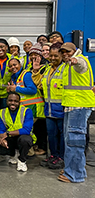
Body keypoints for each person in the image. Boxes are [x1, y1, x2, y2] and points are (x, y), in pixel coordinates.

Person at [58, 42, 95, 183]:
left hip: (79, 106)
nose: (65, 54)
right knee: (69, 139)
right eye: (63, 52)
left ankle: (75, 174)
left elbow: (80, 64)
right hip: (72, 105)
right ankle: (71, 168)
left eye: (68, 51)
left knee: (75, 141)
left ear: (75, 51)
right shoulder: (67, 65)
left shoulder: (80, 60)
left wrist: (74, 60)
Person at [0, 92, 35, 172]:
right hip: (11, 138)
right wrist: (2, 138)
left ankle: (22, 160)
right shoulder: (2, 112)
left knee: (25, 140)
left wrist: (7, 133)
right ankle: (13, 154)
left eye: (16, 101)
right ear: (6, 101)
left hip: (23, 137)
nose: (13, 103)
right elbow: (1, 129)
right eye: (10, 100)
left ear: (19, 102)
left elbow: (26, 130)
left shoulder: (27, 111)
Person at [40, 45, 65, 169]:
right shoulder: (47, 68)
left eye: (56, 56)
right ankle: (53, 155)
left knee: (62, 135)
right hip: (49, 109)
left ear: (62, 56)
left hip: (62, 109)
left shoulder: (65, 69)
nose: (53, 58)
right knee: (51, 134)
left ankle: (61, 157)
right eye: (51, 55)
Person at [0, 39, 12, 115]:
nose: (0, 49)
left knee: (3, 117)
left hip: (6, 94)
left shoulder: (13, 59)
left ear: (6, 47)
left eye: (2, 47)